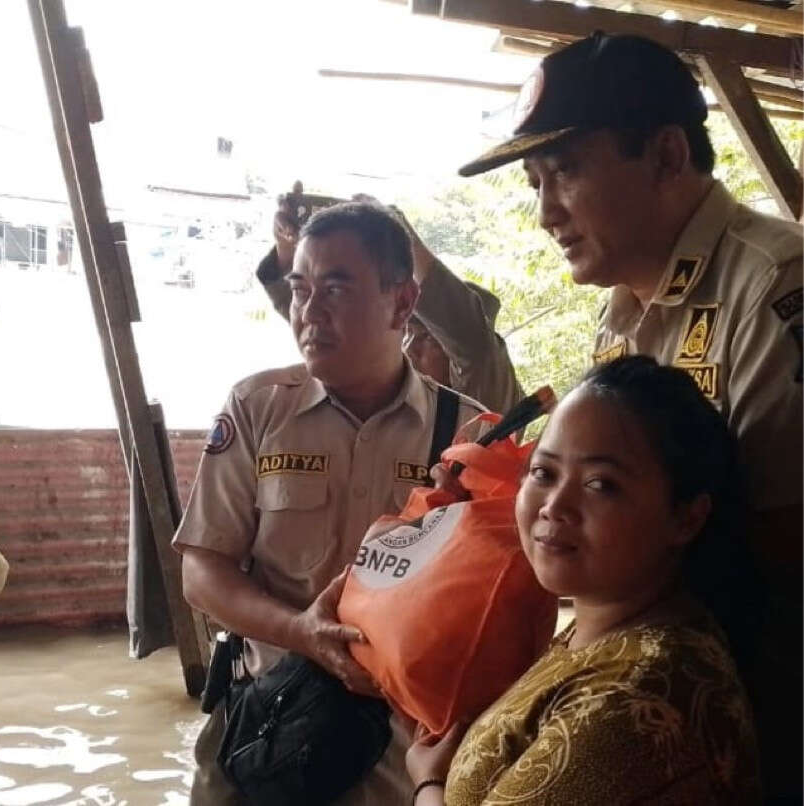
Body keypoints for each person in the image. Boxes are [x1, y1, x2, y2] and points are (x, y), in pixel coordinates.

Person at [457, 31, 802, 801]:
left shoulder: (775, 286)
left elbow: (784, 546)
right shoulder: (621, 318)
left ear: (668, 156)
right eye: (535, 183)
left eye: (567, 172)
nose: (546, 212)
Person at [174, 201, 485, 804]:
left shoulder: (465, 435)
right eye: (299, 290)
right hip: (265, 727)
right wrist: (302, 632)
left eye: (336, 289)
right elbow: (201, 573)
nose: (308, 314)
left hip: (400, 750)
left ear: (402, 302)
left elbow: (485, 609)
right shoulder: (258, 409)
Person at [407, 356, 762, 805]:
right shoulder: (599, 631)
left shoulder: (634, 704)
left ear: (686, 517)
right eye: (543, 472)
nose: (554, 505)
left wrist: (427, 783)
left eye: (600, 484)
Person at [255, 185, 524, 413]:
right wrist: (287, 247)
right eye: (409, 333)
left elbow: (468, 335)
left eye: (429, 338)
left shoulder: (481, 398)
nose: (410, 346)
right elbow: (334, 325)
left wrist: (394, 235)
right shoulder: (393, 400)